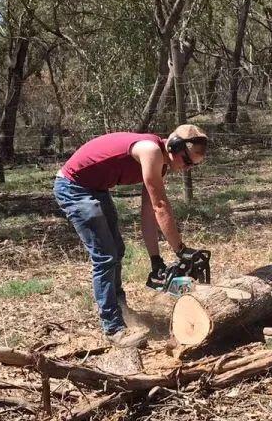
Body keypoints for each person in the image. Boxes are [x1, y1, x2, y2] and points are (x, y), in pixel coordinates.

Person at [53, 124, 209, 347]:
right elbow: (161, 206)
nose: (187, 168)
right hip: (74, 187)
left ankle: (118, 306)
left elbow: (148, 213)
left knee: (117, 249)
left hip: (95, 188)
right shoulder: (151, 151)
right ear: (174, 146)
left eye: (193, 165)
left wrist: (156, 260)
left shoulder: (160, 164)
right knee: (105, 256)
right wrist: (181, 250)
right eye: (188, 161)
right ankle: (113, 328)